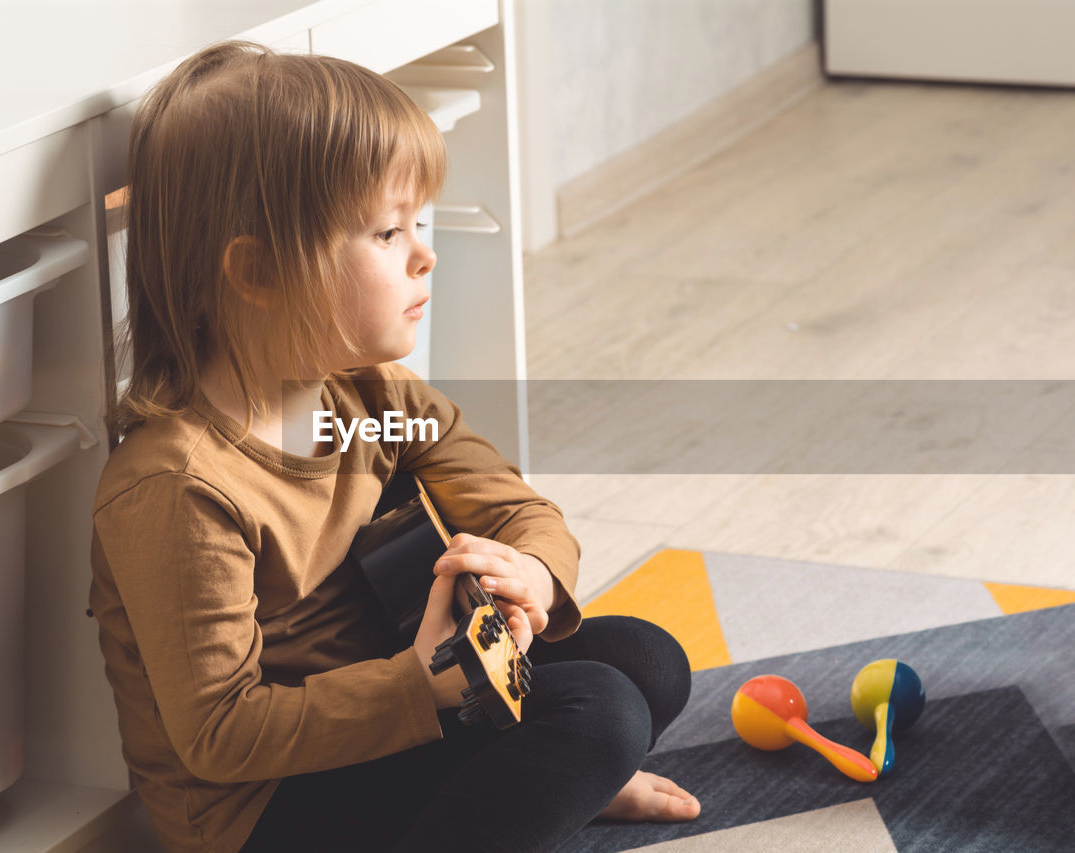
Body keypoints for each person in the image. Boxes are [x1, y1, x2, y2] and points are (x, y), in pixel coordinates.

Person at [89, 40, 700, 853]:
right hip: (264, 807)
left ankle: (549, 781)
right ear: (260, 273)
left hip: (396, 692)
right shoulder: (179, 484)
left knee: (649, 660)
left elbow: (516, 508)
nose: (425, 251)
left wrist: (534, 577)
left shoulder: (374, 399)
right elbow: (223, 734)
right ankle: (549, 777)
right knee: (604, 711)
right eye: (386, 231)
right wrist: (419, 688)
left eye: (417, 222)